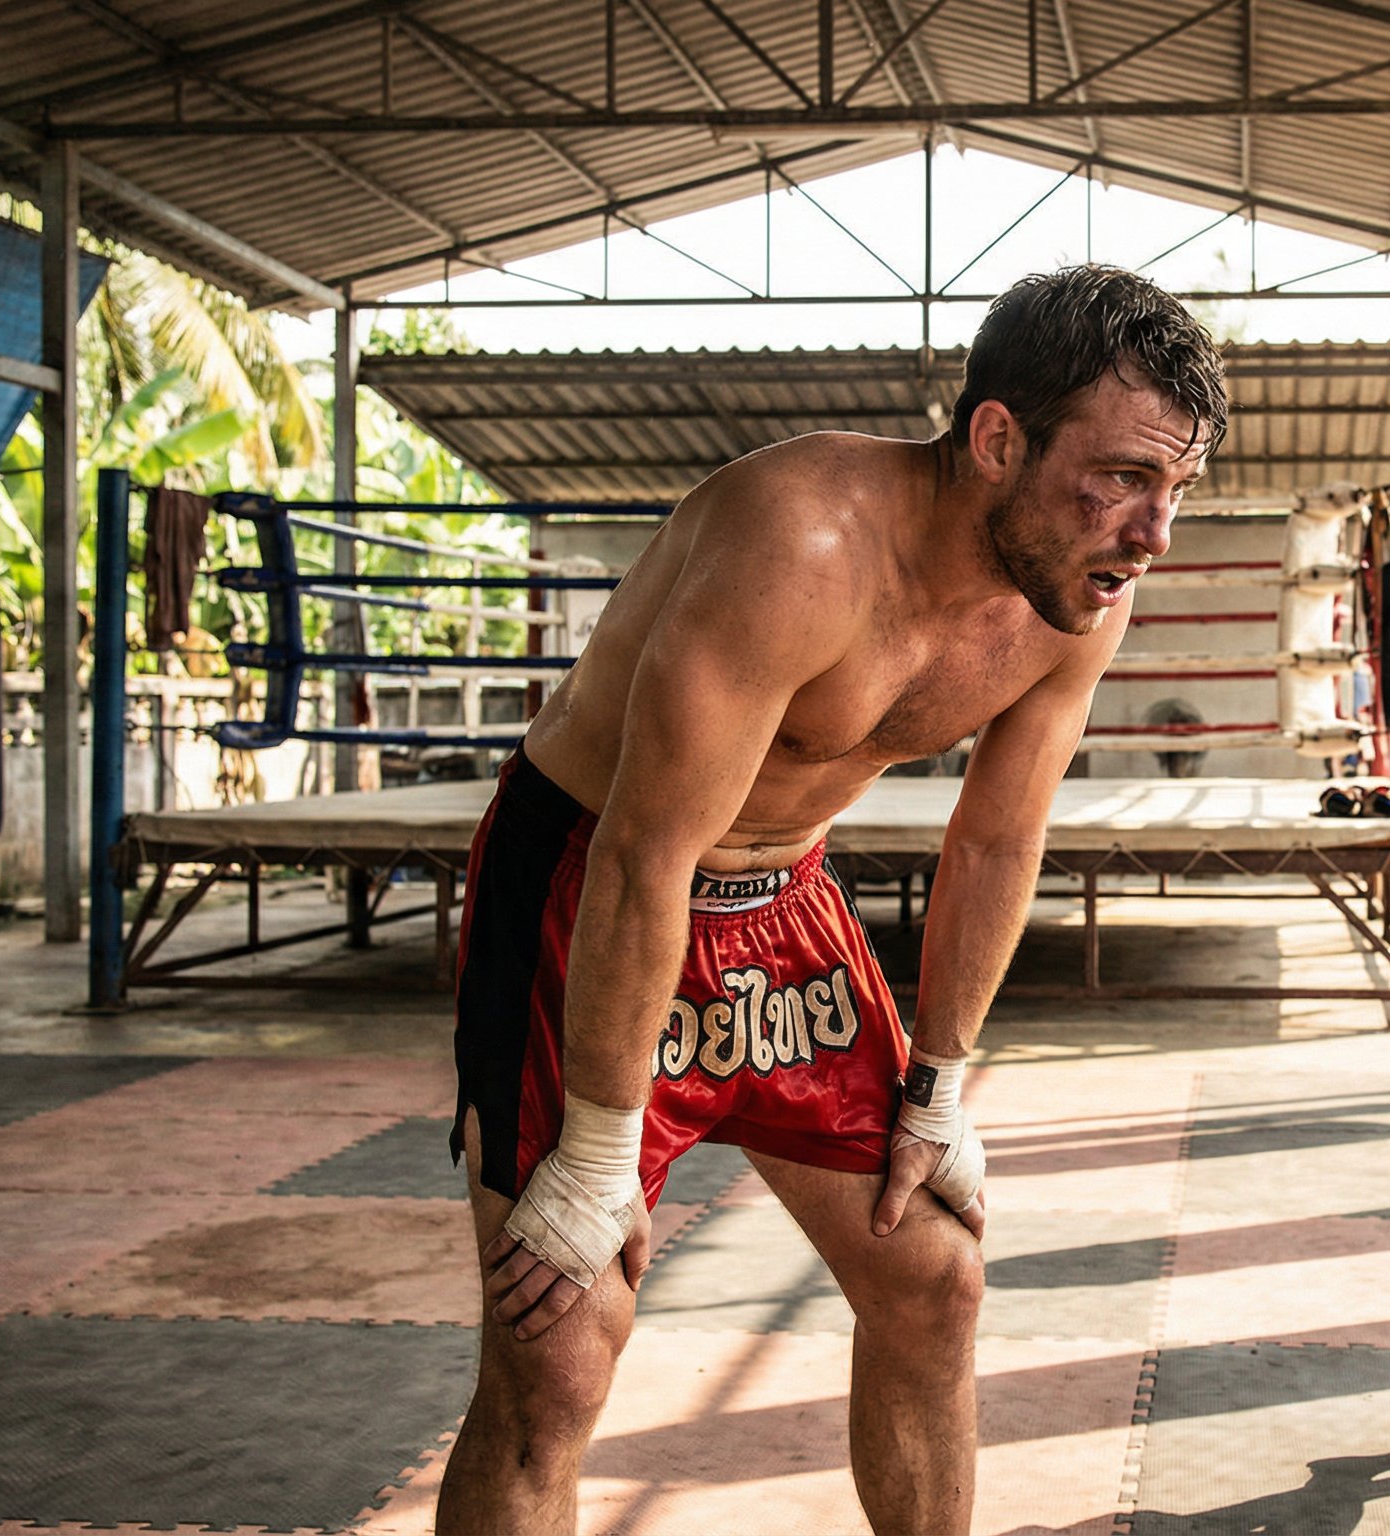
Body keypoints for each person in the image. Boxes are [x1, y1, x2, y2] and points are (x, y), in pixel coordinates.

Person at [435, 266, 1228, 1535]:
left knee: (933, 1277)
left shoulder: (1080, 599)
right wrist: (595, 1150)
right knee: (560, 1345)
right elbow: (646, 850)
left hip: (787, 899)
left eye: (1175, 489)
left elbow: (997, 838)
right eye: (1123, 478)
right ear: (996, 440)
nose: (1153, 535)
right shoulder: (800, 541)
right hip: (590, 880)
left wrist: (942, 1082)